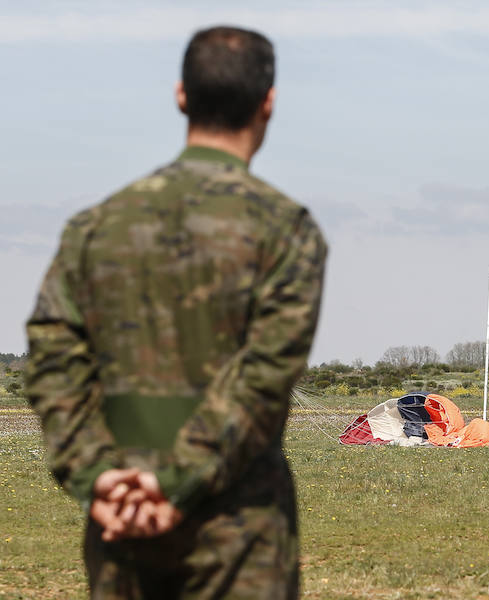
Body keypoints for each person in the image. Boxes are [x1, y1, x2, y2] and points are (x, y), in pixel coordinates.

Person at [25, 25, 326, 598]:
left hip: (119, 520)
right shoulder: (284, 231)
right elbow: (264, 378)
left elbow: (53, 356)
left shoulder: (94, 227)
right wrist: (174, 483)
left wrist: (99, 476)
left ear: (181, 96)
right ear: (269, 103)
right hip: (239, 530)